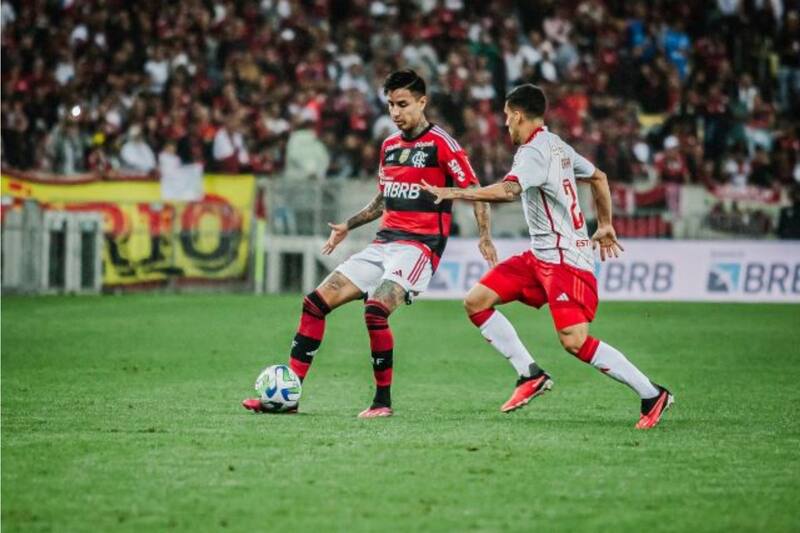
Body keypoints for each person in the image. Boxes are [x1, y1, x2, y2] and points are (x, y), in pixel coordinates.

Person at [243, 69, 497, 417]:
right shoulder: (389, 146)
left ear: (423, 102)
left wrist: (485, 237)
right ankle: (290, 397)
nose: (395, 112)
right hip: (382, 243)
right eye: (391, 104)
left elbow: (477, 190)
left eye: (403, 104)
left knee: (375, 311)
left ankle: (382, 402)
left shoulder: (443, 145)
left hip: (419, 247)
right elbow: (383, 199)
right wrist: (347, 225)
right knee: (314, 304)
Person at [421, 84, 673, 430]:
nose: (505, 124)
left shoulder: (533, 152)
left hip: (565, 260)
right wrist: (606, 225)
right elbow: (597, 177)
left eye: (506, 117)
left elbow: (509, 191)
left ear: (518, 115)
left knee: (574, 341)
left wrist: (456, 192)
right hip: (540, 257)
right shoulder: (557, 145)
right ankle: (530, 374)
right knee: (476, 301)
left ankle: (652, 393)